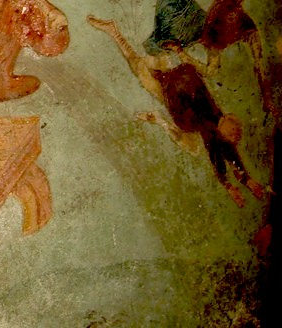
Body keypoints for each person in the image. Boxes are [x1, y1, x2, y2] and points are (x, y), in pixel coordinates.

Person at [88, 15, 267, 207]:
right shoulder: (214, 118)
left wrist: (240, 182)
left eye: (231, 133)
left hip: (165, 88)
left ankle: (114, 32)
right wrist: (241, 182)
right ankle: (118, 30)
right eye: (233, 129)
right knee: (148, 55)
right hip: (171, 79)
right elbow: (225, 153)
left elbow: (222, 156)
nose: (232, 132)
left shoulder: (211, 131)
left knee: (138, 65)